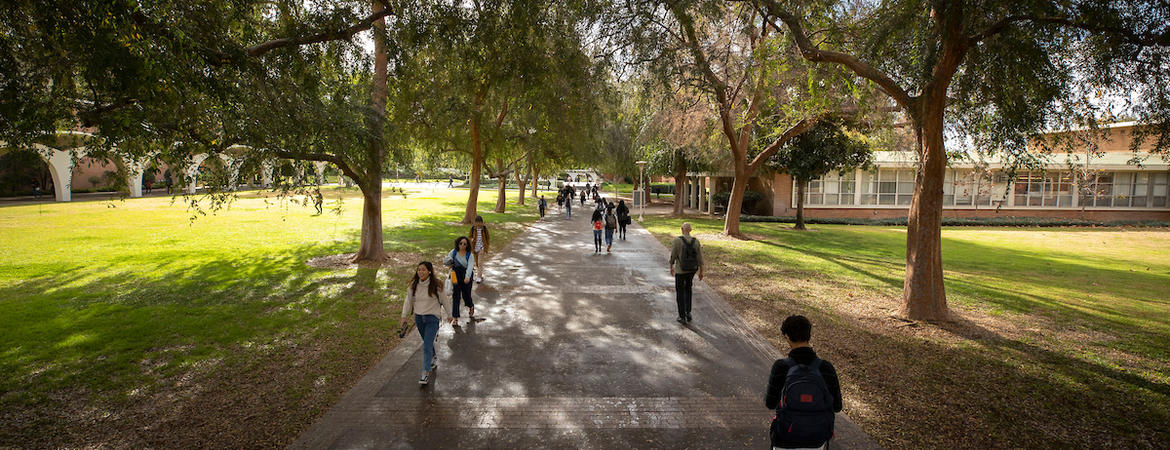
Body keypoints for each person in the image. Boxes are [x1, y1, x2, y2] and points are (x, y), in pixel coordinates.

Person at [764, 315, 842, 449]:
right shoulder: (825, 368)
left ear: (787, 336)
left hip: (785, 437)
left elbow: (770, 403)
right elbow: (837, 406)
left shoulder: (781, 367)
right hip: (816, 439)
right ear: (809, 335)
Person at [400, 261, 454, 386]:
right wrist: (404, 317)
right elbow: (408, 301)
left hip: (432, 319)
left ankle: (425, 372)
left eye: (423, 270)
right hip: (419, 318)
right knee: (427, 342)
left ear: (429, 271)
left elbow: (445, 300)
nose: (421, 272)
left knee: (426, 345)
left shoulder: (436, 285)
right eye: (419, 270)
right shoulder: (413, 286)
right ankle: (433, 357)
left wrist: (450, 314)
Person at [668, 222, 704, 324]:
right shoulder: (696, 241)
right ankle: (688, 312)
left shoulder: (677, 240)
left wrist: (671, 266)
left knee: (680, 292)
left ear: (681, 229)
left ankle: (682, 316)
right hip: (692, 270)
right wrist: (701, 272)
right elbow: (700, 258)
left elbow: (673, 255)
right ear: (690, 230)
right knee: (688, 289)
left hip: (680, 270)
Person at [446, 237, 476, 323]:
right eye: (461, 243)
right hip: (456, 275)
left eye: (464, 244)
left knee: (466, 294)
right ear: (458, 244)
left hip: (466, 274)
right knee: (456, 295)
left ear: (467, 245)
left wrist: (467, 277)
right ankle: (455, 317)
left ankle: (471, 306)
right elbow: (447, 260)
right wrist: (449, 263)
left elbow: (470, 267)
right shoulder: (453, 252)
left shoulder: (469, 255)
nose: (462, 245)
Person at [468, 215, 490, 283]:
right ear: (475, 223)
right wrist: (471, 239)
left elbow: (488, 238)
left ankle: (478, 277)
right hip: (475, 249)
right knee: (477, 263)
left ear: (482, 222)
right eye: (477, 223)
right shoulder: (473, 229)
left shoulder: (484, 229)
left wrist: (486, 246)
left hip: (481, 248)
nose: (479, 224)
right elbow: (469, 236)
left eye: (480, 223)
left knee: (480, 263)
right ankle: (480, 274)